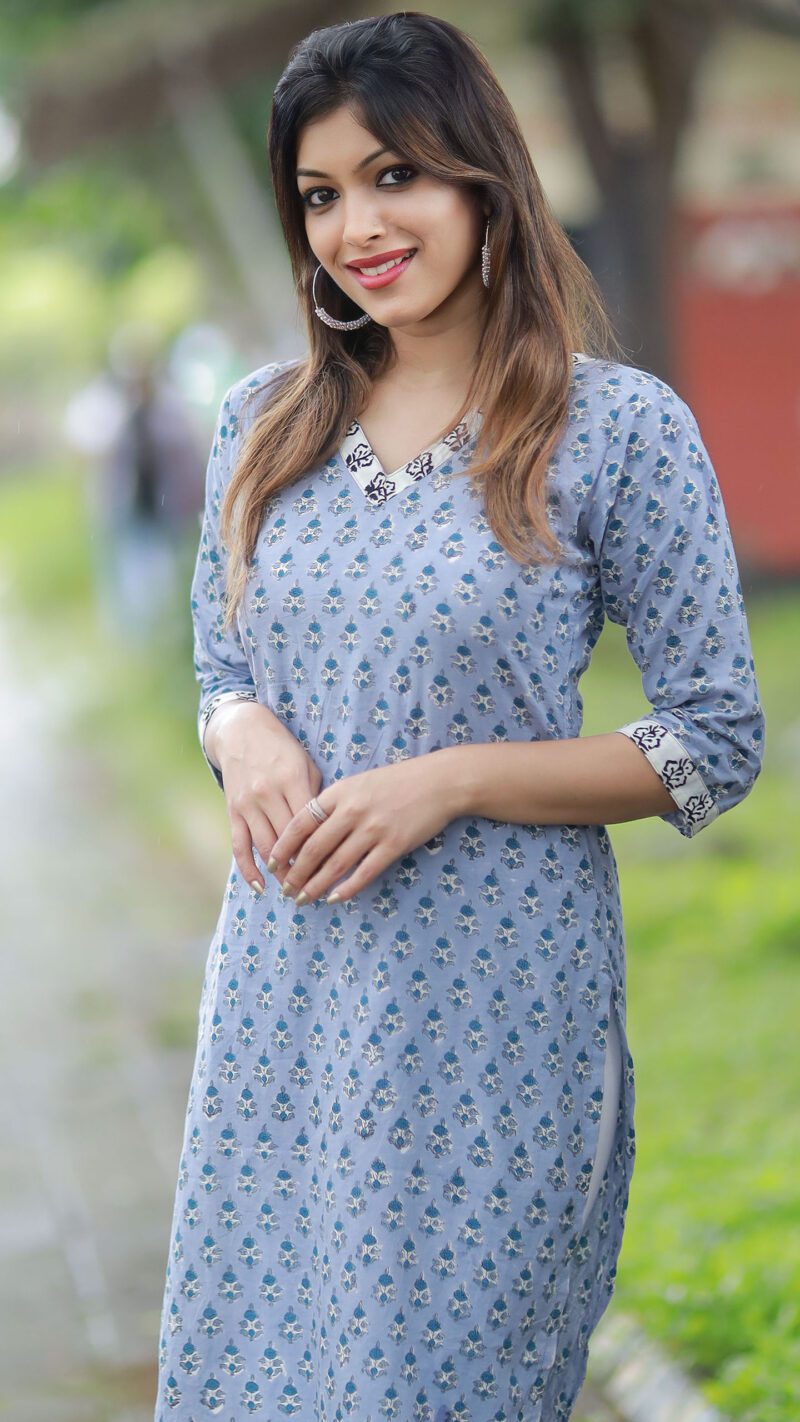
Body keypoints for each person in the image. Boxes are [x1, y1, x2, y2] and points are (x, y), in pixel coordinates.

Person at [153, 14, 765, 1421]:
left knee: (447, 1384)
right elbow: (219, 659)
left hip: (496, 1011)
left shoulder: (614, 430)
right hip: (285, 996)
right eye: (319, 195)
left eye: (393, 176)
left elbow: (712, 738)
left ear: (482, 179)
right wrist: (238, 727)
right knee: (257, 1377)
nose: (355, 226)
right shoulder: (263, 422)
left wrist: (455, 779)